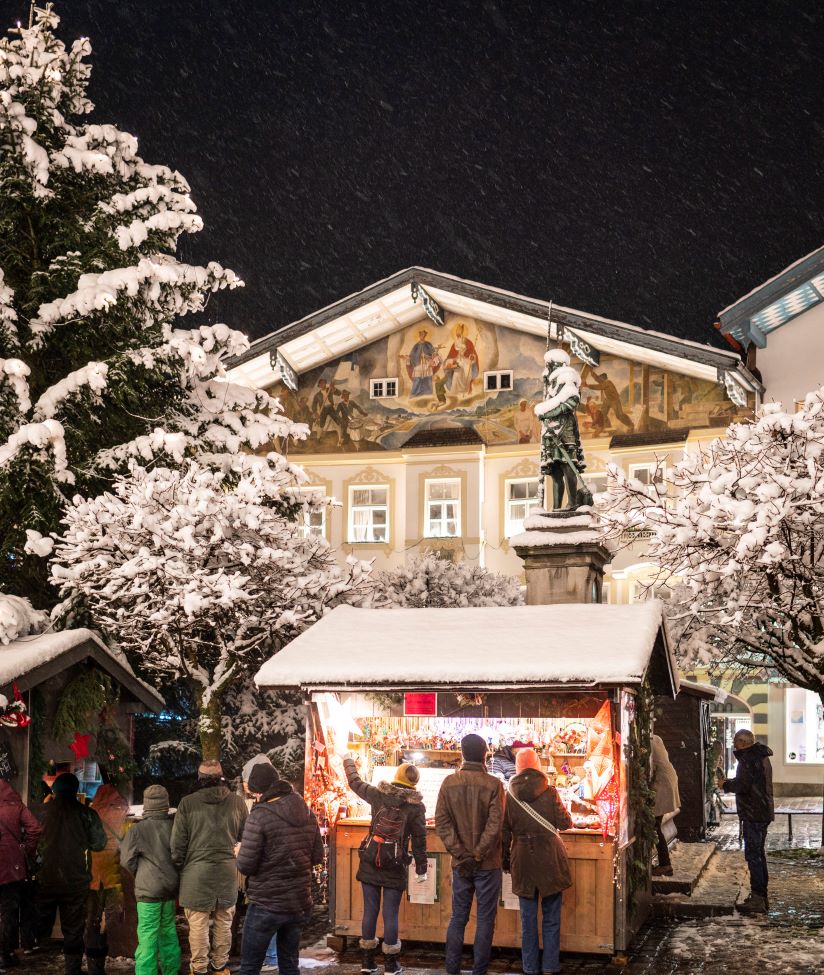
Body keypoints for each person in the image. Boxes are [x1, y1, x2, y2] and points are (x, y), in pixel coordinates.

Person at [341, 755, 428, 975]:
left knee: (370, 910)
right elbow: (419, 839)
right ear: (414, 782)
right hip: (395, 864)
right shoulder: (416, 807)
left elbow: (354, 782)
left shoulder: (378, 795)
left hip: (370, 860)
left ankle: (367, 962)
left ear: (396, 776)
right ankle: (391, 964)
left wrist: (348, 761)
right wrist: (421, 868)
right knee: (391, 913)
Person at [236, 762, 323, 975]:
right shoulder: (307, 811)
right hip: (298, 902)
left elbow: (246, 865)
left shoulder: (259, 815)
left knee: (249, 967)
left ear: (260, 791)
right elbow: (318, 856)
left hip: (267, 903)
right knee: (289, 964)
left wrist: (239, 853)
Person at [171, 759, 248, 975]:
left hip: (195, 873)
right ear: (221, 777)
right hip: (227, 872)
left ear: (200, 779)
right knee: (224, 922)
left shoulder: (187, 804)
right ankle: (220, 967)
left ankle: (199, 969)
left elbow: (177, 846)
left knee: (198, 924)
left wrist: (181, 866)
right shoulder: (237, 803)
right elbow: (246, 839)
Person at [435, 734, 503, 975]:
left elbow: (442, 823)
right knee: (485, 920)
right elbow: (495, 826)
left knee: (458, 917)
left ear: (462, 753)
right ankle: (479, 971)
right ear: (485, 754)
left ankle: (452, 970)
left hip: (460, 864)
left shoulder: (448, 783)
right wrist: (477, 855)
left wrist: (461, 854)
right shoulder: (494, 784)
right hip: (487, 864)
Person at [502, 748, 572, 975]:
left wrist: (505, 861)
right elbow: (565, 823)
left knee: (527, 920)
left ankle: (530, 967)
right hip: (549, 857)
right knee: (551, 917)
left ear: (518, 767)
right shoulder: (550, 791)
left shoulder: (509, 795)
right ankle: (550, 966)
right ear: (538, 765)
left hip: (522, 858)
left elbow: (504, 832)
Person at [36, 772, 106, 975]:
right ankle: (72, 969)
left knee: (41, 924)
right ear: (76, 791)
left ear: (55, 790)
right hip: (75, 879)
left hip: (45, 877)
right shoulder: (86, 813)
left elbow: (32, 837)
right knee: (73, 927)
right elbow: (99, 843)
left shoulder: (42, 812)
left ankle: (33, 956)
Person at [119, 784, 180, 975]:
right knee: (169, 932)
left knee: (147, 936)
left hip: (147, 893)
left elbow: (126, 860)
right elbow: (181, 857)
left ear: (146, 805)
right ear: (165, 804)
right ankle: (171, 971)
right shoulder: (175, 827)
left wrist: (141, 874)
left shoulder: (137, 830)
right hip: (170, 890)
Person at [716, 729, 774, 915]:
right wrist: (732, 782)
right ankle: (761, 896)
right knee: (758, 854)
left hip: (754, 814)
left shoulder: (748, 759)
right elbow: (748, 781)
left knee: (754, 855)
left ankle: (758, 898)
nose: (733, 744)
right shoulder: (758, 756)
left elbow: (743, 785)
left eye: (735, 741)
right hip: (761, 812)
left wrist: (725, 785)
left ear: (742, 742)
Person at [0, 770, 42, 973]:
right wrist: (26, 849)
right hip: (10, 866)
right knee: (8, 910)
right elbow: (34, 828)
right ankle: (4, 953)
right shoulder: (15, 804)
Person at [85, 784, 130, 975]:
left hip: (93, 878)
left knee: (92, 921)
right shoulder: (123, 815)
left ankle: (96, 966)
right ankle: (119, 951)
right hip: (115, 876)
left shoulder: (90, 814)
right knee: (115, 919)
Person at [241, 755, 279, 973]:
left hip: (267, 881)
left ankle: (270, 958)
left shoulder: (261, 811)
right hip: (288, 885)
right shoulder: (295, 805)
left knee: (261, 922)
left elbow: (248, 860)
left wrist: (243, 851)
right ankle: (274, 957)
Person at [650, 735, 680, 878]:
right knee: (655, 826)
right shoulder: (657, 738)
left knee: (654, 826)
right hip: (667, 779)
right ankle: (664, 864)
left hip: (662, 784)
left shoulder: (646, 740)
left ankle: (665, 865)